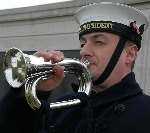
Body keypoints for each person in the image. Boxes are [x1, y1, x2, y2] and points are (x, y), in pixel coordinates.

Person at [0, 2, 150, 133]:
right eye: (83, 43)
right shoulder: (66, 106)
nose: (84, 51)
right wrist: (30, 94)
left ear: (130, 54)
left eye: (98, 42)